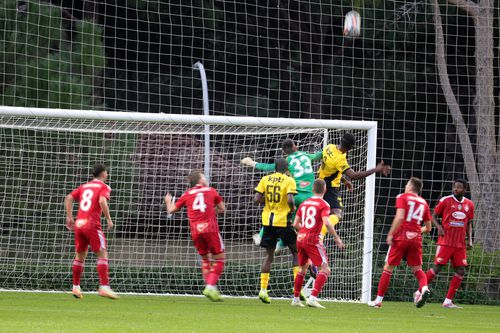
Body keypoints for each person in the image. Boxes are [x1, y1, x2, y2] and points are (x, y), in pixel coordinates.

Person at [369, 177, 432, 308]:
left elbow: (400, 216)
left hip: (401, 237)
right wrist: (415, 232)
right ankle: (424, 288)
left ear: (410, 186)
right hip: (416, 238)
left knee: (388, 269)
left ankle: (378, 301)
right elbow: (429, 228)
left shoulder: (402, 197)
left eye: (407, 184)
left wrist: (391, 233)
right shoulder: (423, 202)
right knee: (418, 270)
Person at [165, 171, 226, 302]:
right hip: (210, 229)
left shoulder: (187, 194)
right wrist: (210, 212)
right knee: (220, 259)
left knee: (205, 259)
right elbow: (222, 209)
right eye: (203, 176)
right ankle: (210, 286)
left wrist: (168, 201)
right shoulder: (211, 190)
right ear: (200, 180)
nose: (205, 178)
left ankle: (209, 288)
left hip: (195, 231)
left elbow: (171, 210)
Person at [414, 179, 474, 308]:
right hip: (445, 241)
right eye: (454, 187)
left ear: (465, 189)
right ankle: (419, 292)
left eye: (458, 187)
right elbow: (433, 215)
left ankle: (447, 301)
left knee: (461, 270)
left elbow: (468, 223)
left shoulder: (469, 204)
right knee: (437, 267)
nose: (455, 189)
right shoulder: (445, 200)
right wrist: (439, 227)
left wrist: (470, 240)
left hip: (459, 244)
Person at [318, 133, 391, 236]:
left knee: (321, 213)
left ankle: (317, 231)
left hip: (319, 184)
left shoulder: (329, 147)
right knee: (337, 214)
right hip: (330, 189)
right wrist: (376, 169)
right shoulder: (340, 159)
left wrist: (344, 181)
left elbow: (331, 169)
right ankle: (321, 233)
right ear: (350, 147)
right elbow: (354, 175)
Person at [65, 164, 118, 299]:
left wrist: (70, 218)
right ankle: (104, 287)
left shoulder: (84, 186)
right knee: (102, 253)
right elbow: (102, 201)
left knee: (80, 255)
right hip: (92, 224)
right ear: (104, 174)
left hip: (79, 224)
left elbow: (69, 197)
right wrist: (109, 219)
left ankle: (76, 287)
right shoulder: (104, 187)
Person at [292, 179, 345, 308]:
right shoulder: (324, 204)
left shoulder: (304, 203)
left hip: (300, 238)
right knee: (325, 269)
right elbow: (327, 222)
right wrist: (337, 238)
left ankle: (295, 299)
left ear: (312, 189)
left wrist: (304, 231)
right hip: (313, 239)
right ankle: (313, 298)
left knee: (302, 269)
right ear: (325, 190)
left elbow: (295, 224)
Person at [254, 158, 298, 304]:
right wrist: (292, 209)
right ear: (286, 169)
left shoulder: (265, 179)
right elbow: (291, 200)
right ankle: (297, 289)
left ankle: (263, 290)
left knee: (269, 255)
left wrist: (268, 201)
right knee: (296, 252)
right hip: (283, 221)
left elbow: (256, 199)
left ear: (275, 168)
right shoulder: (289, 180)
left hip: (267, 221)